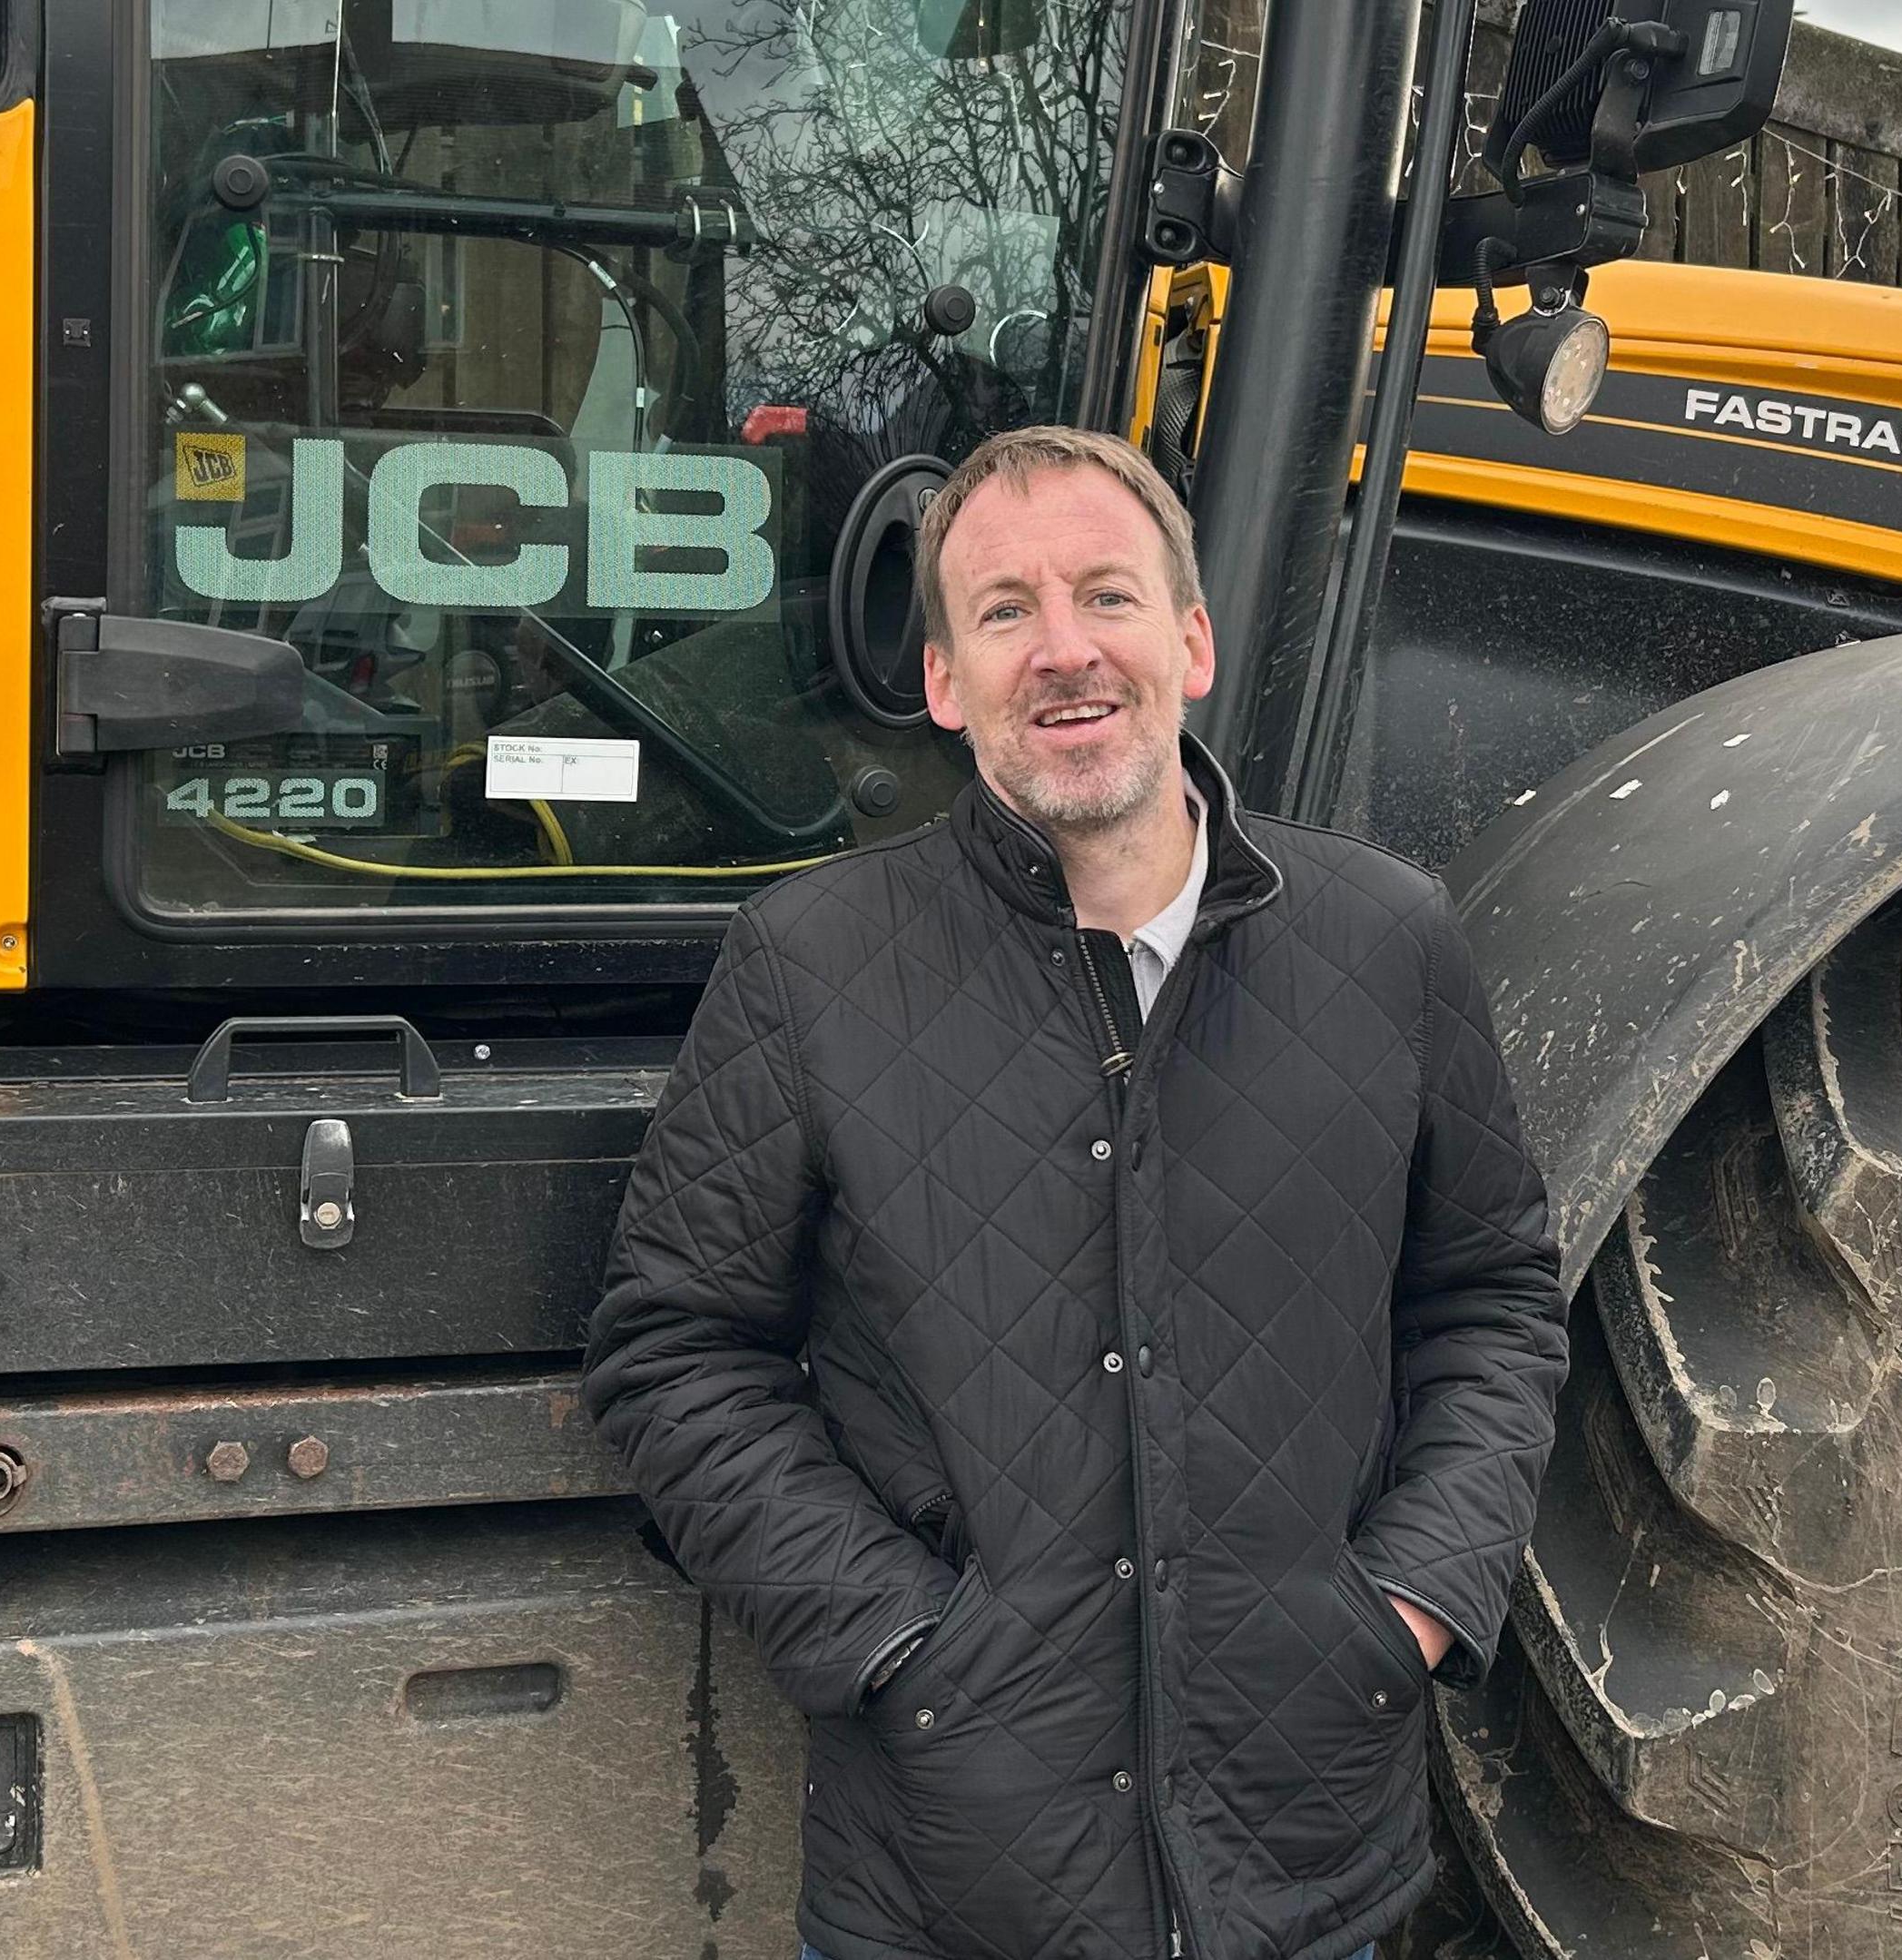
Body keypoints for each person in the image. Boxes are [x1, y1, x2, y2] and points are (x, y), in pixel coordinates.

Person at [584, 425, 1568, 1960]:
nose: (1062, 651)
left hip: (1307, 1866)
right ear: (940, 681)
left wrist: (1407, 1609)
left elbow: (1491, 1298)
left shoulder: (1388, 943)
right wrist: (900, 1640)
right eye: (1002, 611)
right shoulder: (813, 963)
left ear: (1189, 640)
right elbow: (675, 1351)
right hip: (945, 1888)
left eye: (1106, 597)